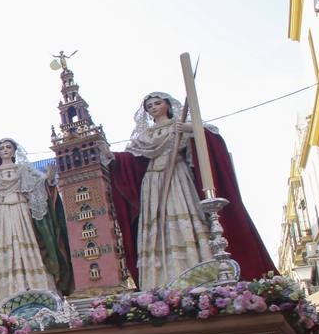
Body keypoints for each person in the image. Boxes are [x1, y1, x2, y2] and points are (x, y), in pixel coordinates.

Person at [111, 92, 275, 289]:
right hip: (153, 182)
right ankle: (161, 282)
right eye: (150, 106)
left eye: (157, 103)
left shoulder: (178, 126)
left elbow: (209, 139)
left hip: (177, 178)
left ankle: (199, 273)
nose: (154, 107)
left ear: (168, 105)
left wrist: (191, 129)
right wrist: (110, 156)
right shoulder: (145, 136)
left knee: (186, 222)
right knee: (159, 228)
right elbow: (131, 161)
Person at [0, 137, 72, 310]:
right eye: (1, 147)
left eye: (8, 147)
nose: (5, 149)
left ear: (14, 150)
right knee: (2, 249)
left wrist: (49, 179)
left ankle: (37, 294)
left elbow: (39, 187)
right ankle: (1, 299)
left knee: (26, 248)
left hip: (21, 212)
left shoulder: (24, 169)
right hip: (1, 214)